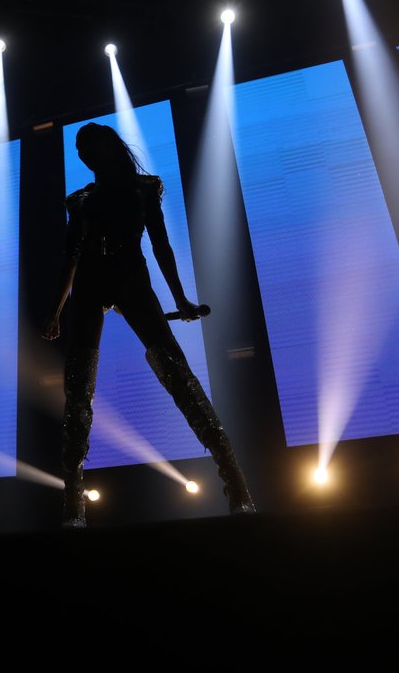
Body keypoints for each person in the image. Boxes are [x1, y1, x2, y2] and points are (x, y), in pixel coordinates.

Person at [43, 122, 255, 526]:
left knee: (177, 374)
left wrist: (179, 299)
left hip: (129, 278)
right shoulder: (82, 201)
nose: (85, 155)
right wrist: (55, 311)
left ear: (108, 148)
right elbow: (71, 259)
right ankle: (73, 501)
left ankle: (234, 478)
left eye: (90, 147)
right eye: (81, 149)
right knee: (78, 388)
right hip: (92, 284)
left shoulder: (143, 189)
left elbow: (160, 246)